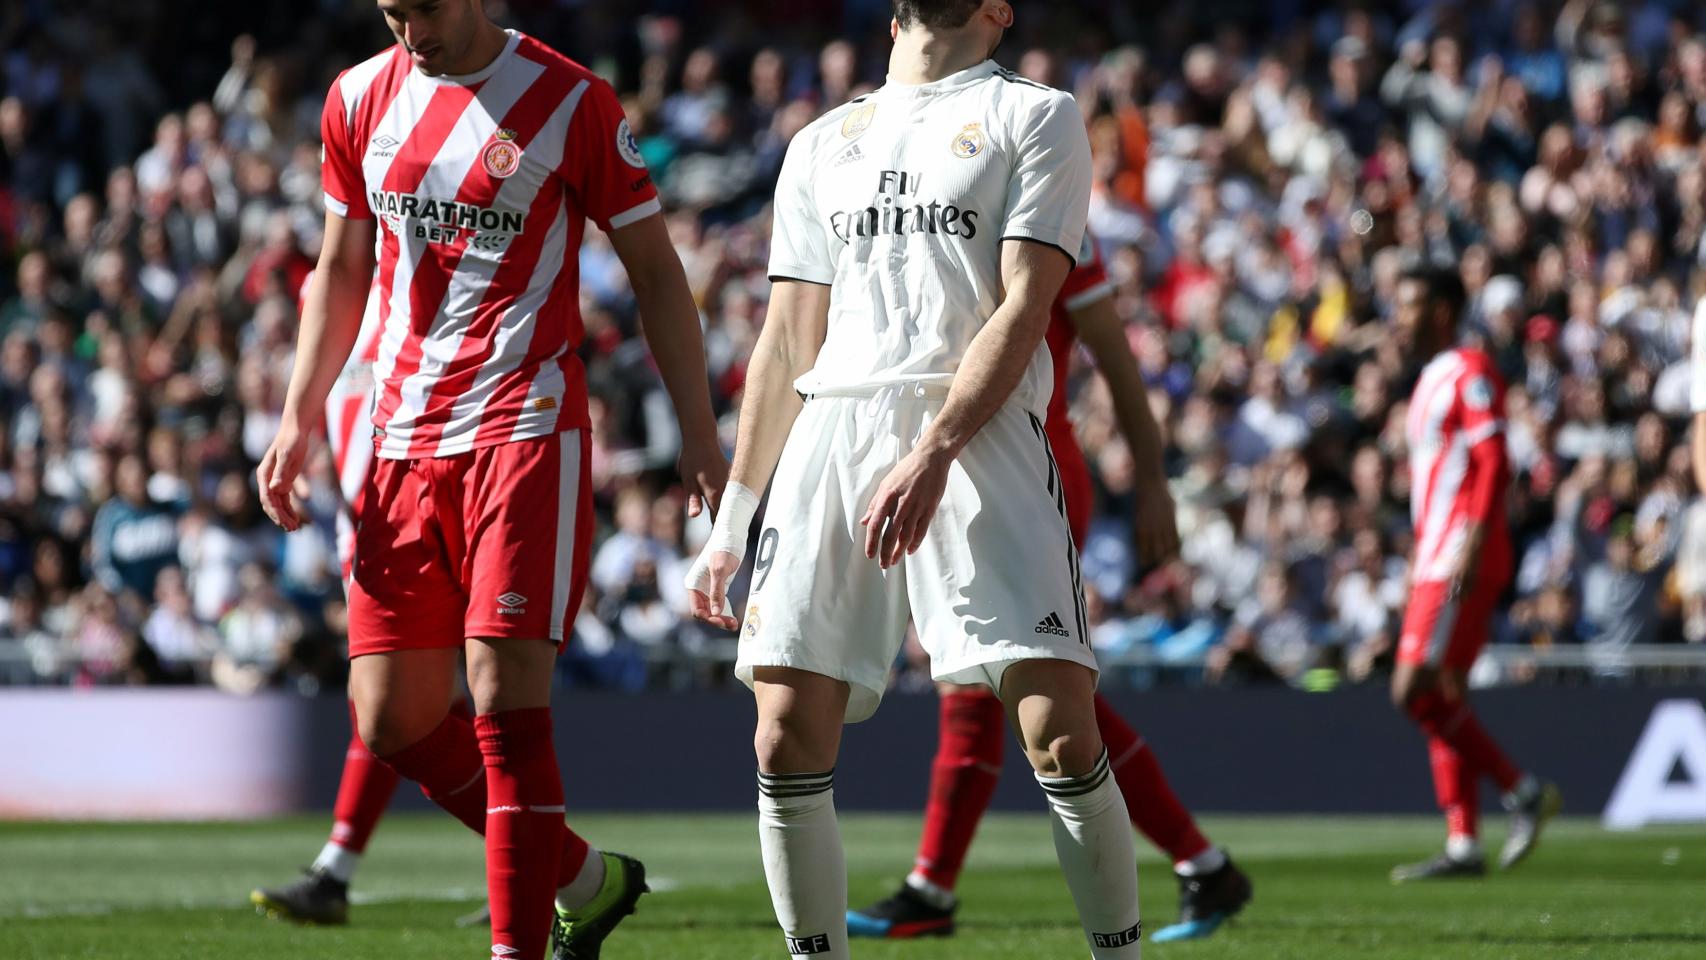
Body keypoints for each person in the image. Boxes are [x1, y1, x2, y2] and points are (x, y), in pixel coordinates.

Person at [256, 2, 727, 958]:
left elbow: (656, 272)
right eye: (392, 12)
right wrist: (302, 412)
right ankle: (588, 882)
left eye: (424, 9)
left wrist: (699, 430)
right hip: (396, 443)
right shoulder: (357, 97)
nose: (410, 31)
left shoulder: (570, 100)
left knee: (504, 701)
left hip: (522, 430)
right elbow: (343, 263)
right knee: (390, 719)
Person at [686, 2, 1142, 956]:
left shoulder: (1038, 113)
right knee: (782, 736)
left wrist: (934, 448)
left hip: (977, 429)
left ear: (998, 11)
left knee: (1058, 729)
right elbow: (783, 341)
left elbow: (1025, 306)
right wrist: (734, 515)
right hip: (833, 428)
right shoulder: (822, 140)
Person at [847, 232, 1251, 943]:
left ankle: (934, 887)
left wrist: (1154, 480)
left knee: (1014, 685)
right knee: (1003, 686)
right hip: (951, 468)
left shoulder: (1044, 202)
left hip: (1032, 471)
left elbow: (1114, 355)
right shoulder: (940, 183)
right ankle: (1199, 862)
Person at [1387, 265, 1561, 883]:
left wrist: (1469, 544)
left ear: (1441, 310)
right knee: (1443, 695)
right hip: (1437, 551)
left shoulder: (1469, 370)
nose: (1397, 316)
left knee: (1411, 688)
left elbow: (1494, 460)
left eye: (1408, 304)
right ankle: (1463, 841)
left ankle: (1520, 788)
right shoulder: (1430, 380)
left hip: (1461, 552)